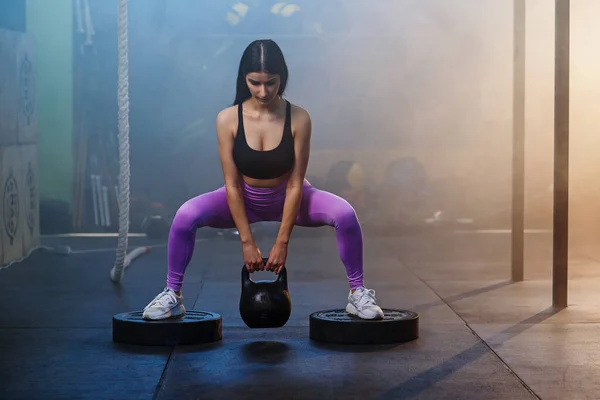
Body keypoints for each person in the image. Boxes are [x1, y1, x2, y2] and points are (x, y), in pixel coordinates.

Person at [142, 39, 384, 321]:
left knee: (345, 213)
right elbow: (232, 184)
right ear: (244, 79)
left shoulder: (299, 118)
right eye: (255, 83)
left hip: (290, 196)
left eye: (271, 82)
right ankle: (173, 295)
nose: (263, 91)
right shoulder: (227, 119)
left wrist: (282, 242)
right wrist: (247, 242)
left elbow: (295, 183)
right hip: (243, 197)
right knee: (185, 215)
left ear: (282, 77)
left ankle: (357, 294)